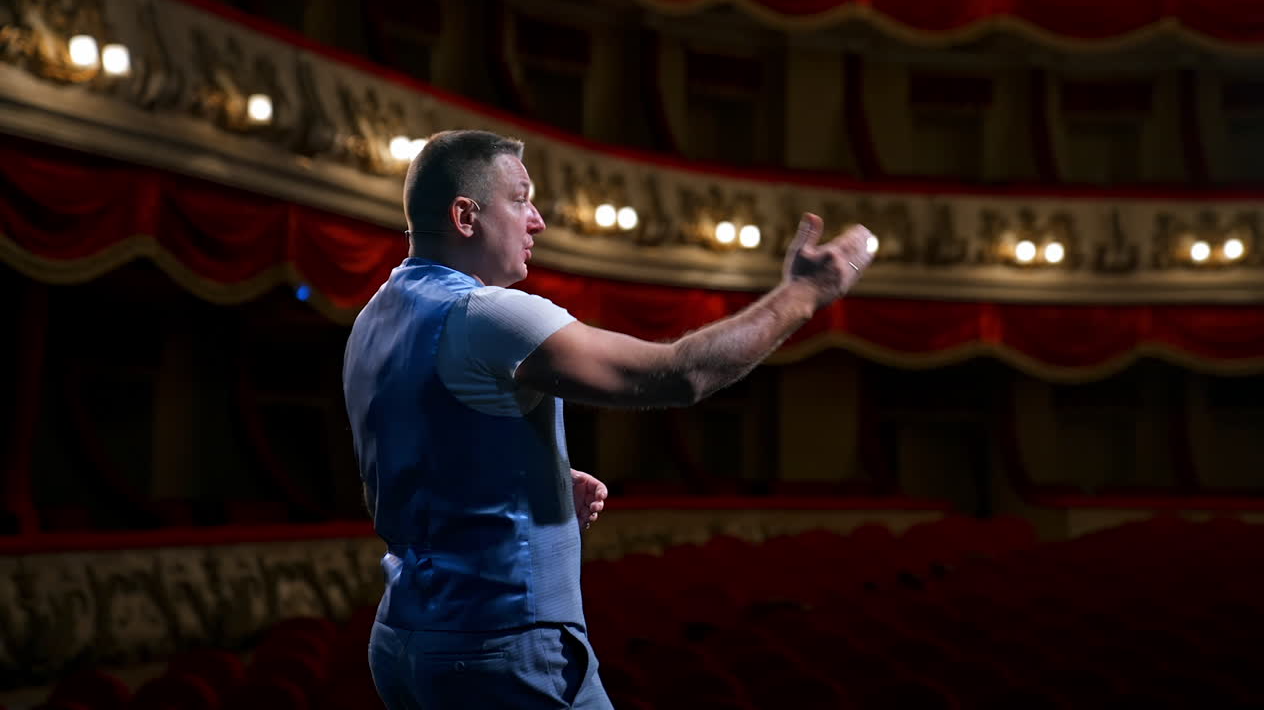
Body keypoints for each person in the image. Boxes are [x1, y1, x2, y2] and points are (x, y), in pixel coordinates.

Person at [342, 129, 876, 709]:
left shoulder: (375, 317)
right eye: (521, 199)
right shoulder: (487, 316)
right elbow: (680, 374)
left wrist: (529, 483)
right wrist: (805, 294)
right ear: (465, 215)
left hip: (404, 643)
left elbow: (407, 466)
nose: (538, 220)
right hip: (500, 649)